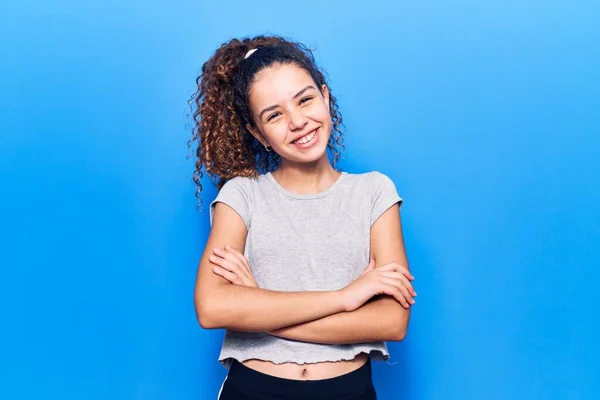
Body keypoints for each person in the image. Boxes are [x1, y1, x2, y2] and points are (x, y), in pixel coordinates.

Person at [189, 35, 416, 400]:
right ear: (257, 134)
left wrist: (260, 306)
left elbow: (392, 321)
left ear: (325, 98)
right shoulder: (241, 196)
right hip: (253, 389)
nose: (297, 122)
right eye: (274, 115)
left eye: (305, 99)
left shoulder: (374, 192)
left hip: (348, 391)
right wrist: (346, 297)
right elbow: (212, 308)